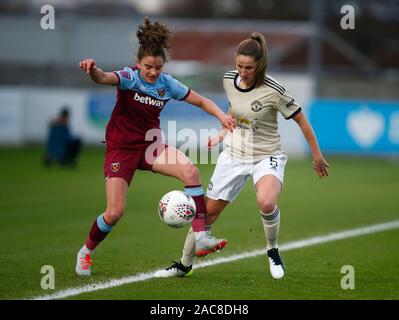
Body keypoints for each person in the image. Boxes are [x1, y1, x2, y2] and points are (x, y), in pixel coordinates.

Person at [156, 32, 329, 280]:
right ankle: (184, 264)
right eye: (239, 65)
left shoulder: (274, 90)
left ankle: (272, 250)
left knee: (266, 202)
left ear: (259, 65)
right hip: (234, 155)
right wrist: (221, 133)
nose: (243, 72)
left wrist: (317, 155)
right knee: (207, 214)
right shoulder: (229, 80)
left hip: (266, 156)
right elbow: (234, 111)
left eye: (248, 67)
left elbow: (302, 121)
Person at [75, 17, 236, 276]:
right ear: (139, 63)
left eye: (158, 68)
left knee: (191, 172)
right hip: (121, 149)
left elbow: (203, 102)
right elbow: (103, 77)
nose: (152, 72)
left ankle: (202, 235)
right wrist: (93, 69)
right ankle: (86, 252)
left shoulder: (167, 83)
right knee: (114, 213)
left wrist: (222, 117)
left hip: (151, 146)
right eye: (148, 67)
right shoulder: (128, 77)